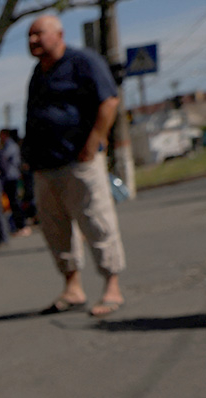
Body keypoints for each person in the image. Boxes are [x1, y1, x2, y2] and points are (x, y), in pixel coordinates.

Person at [25, 14, 125, 317]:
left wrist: (95, 140)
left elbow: (109, 100)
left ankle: (112, 285)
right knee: (56, 230)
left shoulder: (82, 62)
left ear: (58, 34)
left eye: (38, 34)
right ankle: (73, 287)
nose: (32, 41)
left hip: (78, 161)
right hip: (46, 166)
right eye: (29, 36)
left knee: (96, 221)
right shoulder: (38, 73)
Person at [0, 128, 31, 236]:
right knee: (13, 202)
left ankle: (22, 225)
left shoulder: (10, 145)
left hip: (11, 176)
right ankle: (19, 225)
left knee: (15, 202)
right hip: (9, 176)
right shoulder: (7, 145)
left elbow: (4, 158)